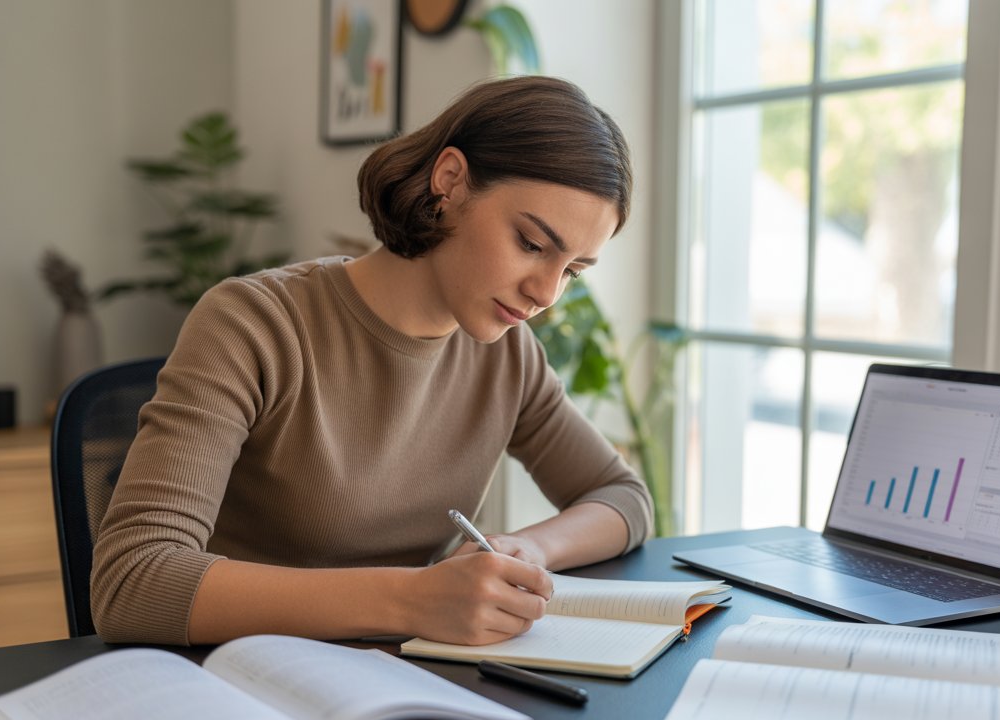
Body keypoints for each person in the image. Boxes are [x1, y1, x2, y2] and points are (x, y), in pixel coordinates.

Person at [92, 76, 653, 647]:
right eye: (531, 244)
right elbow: (134, 581)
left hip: (405, 685)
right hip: (242, 686)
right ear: (451, 182)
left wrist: (530, 548)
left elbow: (622, 498)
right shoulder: (252, 325)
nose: (546, 293)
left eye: (573, 271)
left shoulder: (508, 356)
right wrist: (414, 600)